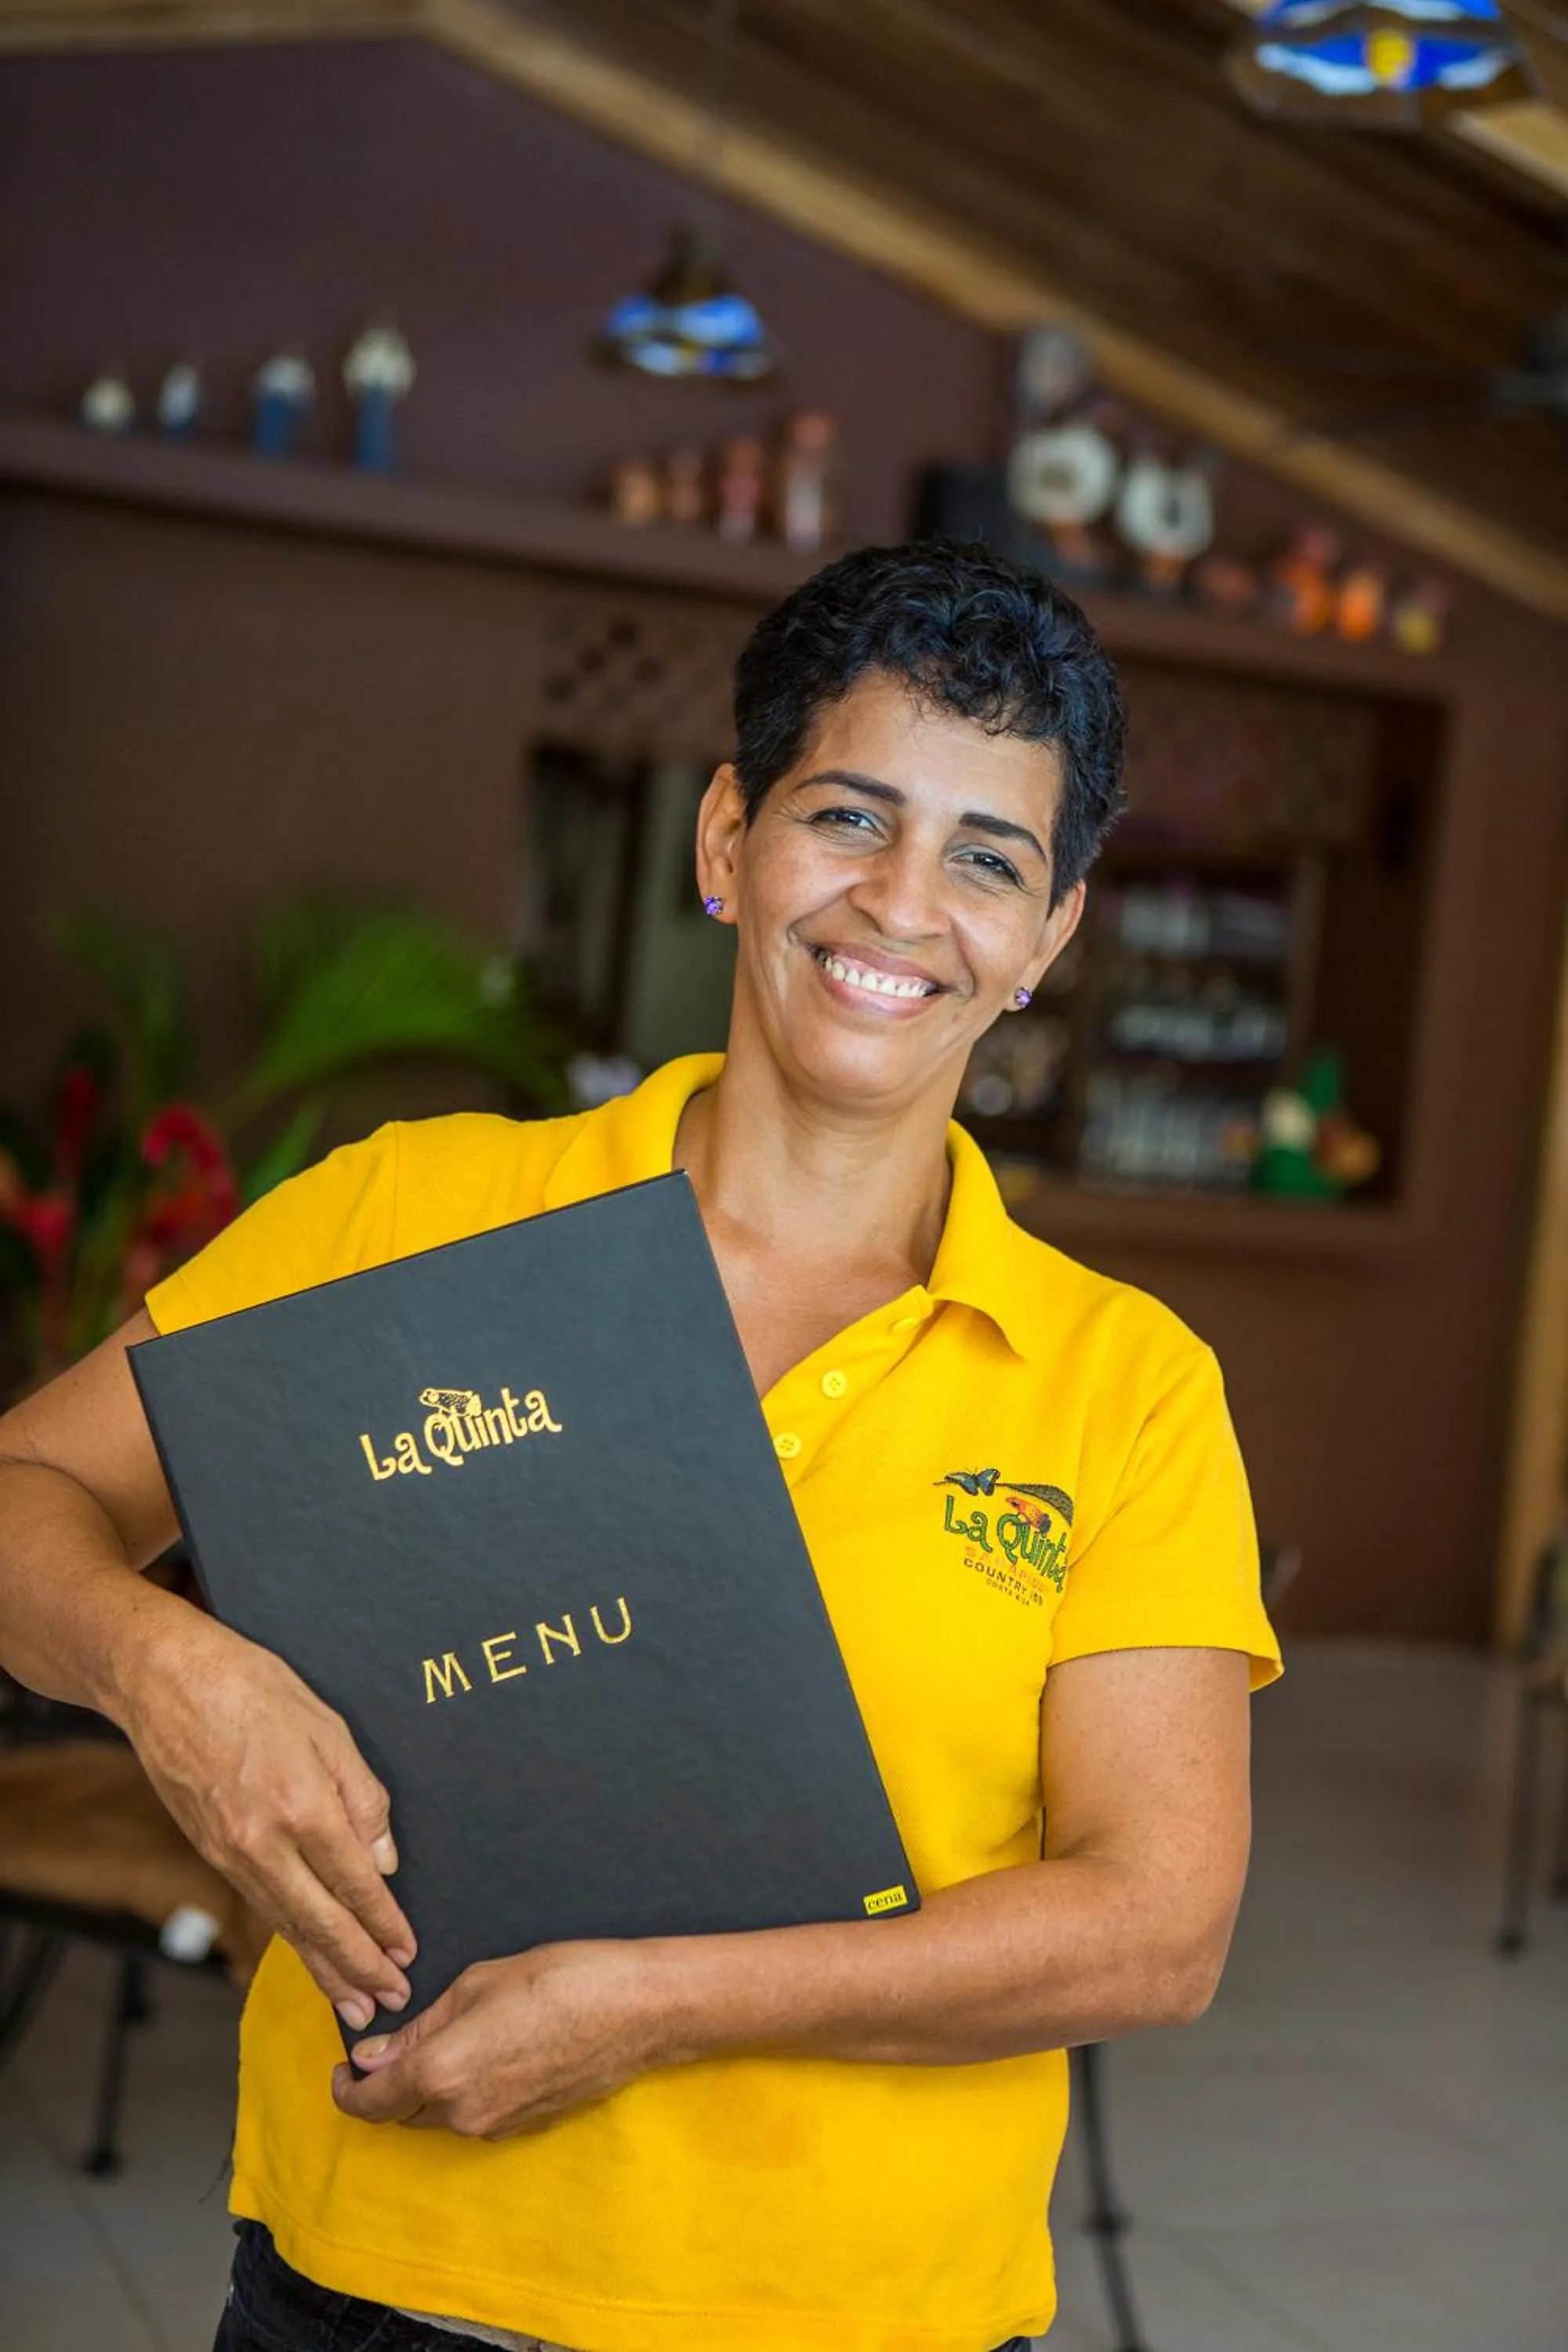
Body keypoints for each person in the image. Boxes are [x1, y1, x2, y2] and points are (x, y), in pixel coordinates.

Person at [0, 540, 1281, 2352]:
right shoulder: (408, 1215)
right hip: (377, 2287)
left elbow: (1156, 1927)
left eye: (987, 859)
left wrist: (652, 2005)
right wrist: (173, 1679)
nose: (902, 905)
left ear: (1049, 940)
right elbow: (24, 1494)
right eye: (849, 818)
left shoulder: (1122, 1380)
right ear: (728, 840)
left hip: (862, 2319)